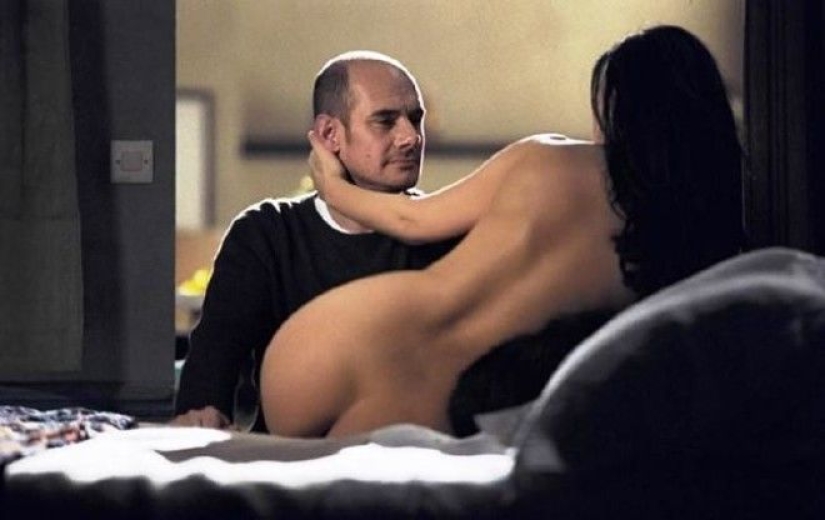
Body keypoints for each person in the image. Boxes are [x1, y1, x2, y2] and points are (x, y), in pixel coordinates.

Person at [260, 25, 745, 438]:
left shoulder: (546, 156)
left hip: (334, 338)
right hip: (435, 397)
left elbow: (413, 220)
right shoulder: (675, 260)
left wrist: (332, 186)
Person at [172, 51, 458, 429]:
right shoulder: (267, 235)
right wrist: (204, 417)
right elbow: (209, 374)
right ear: (329, 135)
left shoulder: (443, 233)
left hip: (415, 453)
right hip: (290, 456)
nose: (411, 137)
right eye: (385, 121)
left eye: (415, 119)